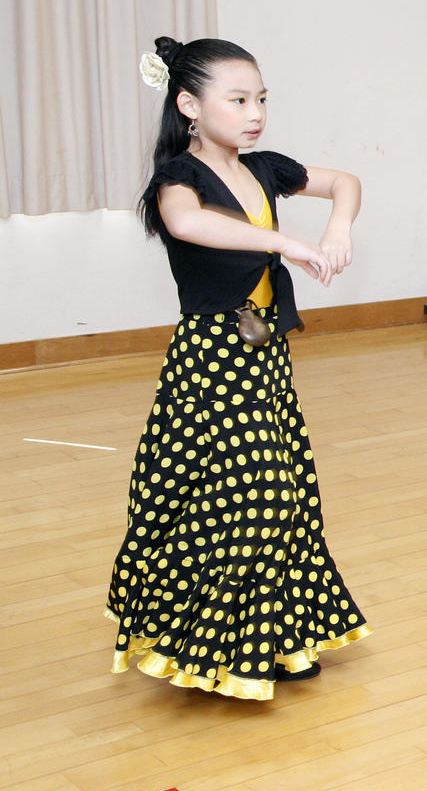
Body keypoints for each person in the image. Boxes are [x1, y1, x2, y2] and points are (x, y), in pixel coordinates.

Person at [107, 36, 368, 700]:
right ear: (190, 106)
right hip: (212, 357)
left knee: (281, 495)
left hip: (265, 353)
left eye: (261, 99)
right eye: (239, 100)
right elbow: (190, 225)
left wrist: (338, 226)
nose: (255, 114)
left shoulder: (266, 168)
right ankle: (203, 642)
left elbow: (344, 181)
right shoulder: (178, 179)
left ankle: (275, 641)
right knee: (260, 494)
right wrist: (284, 241)